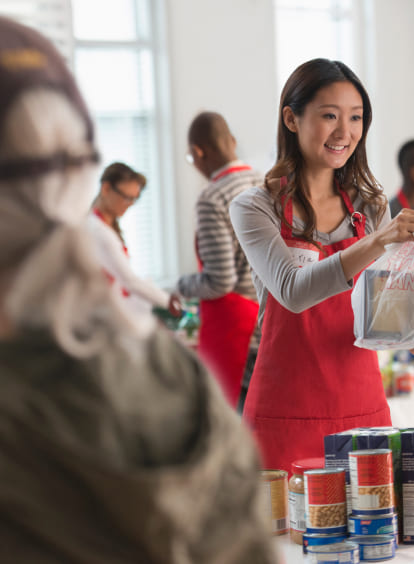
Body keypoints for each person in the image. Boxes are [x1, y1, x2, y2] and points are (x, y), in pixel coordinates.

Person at [0, 16, 277, 563]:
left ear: (198, 153)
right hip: (243, 322)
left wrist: (176, 289)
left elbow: (211, 279)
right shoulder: (173, 380)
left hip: (225, 318)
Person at [230, 58, 414, 473]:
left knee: (371, 530)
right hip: (284, 410)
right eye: (329, 116)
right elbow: (293, 290)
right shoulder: (255, 207)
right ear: (291, 118)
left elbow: (384, 302)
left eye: (356, 118)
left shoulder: (370, 206)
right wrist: (378, 239)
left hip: (361, 405)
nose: (345, 132)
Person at [176, 112, 264, 410]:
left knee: (236, 426)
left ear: (198, 153)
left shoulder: (212, 198)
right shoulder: (264, 182)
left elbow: (220, 280)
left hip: (237, 330)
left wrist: (180, 287)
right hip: (267, 321)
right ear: (233, 142)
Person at [88, 161, 182, 318]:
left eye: (134, 199)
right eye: (126, 197)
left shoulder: (108, 226)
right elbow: (129, 281)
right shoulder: (97, 229)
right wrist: (167, 301)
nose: (130, 204)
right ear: (106, 189)